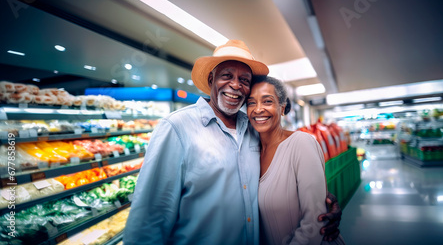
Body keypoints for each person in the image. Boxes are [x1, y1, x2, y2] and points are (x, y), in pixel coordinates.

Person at [123, 40, 341, 245]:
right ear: (211, 80)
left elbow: (284, 176)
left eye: (244, 80)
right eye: (226, 75)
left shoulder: (252, 129)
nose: (235, 85)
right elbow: (148, 220)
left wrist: (323, 202)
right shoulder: (177, 128)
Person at [247, 75, 345, 245]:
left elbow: (315, 222)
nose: (258, 109)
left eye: (267, 101)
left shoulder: (301, 143)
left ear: (282, 107)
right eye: (251, 102)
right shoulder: (250, 151)